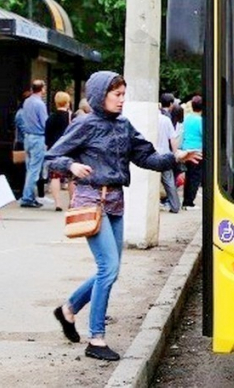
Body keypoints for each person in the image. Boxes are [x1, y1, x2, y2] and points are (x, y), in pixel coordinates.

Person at [45, 71, 202, 361]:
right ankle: (97, 339)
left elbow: (147, 158)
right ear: (99, 95)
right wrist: (72, 166)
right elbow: (52, 156)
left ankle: (68, 309)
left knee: (111, 270)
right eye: (116, 94)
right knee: (108, 268)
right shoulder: (84, 125)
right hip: (92, 201)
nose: (121, 100)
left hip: (116, 202)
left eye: (123, 94)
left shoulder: (123, 125)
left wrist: (176, 157)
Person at [19, 80, 48, 208]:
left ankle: (28, 195)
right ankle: (27, 198)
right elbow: (45, 123)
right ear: (41, 89)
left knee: (29, 168)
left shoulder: (27, 101)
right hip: (38, 137)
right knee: (35, 169)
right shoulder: (40, 104)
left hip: (27, 137)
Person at [45, 91, 73, 211]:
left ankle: (57, 203)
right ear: (67, 102)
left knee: (55, 176)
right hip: (69, 149)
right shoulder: (71, 117)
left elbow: (46, 136)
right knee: (71, 177)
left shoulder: (51, 117)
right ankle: (72, 202)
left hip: (54, 149)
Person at [157, 93, 181, 213]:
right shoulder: (166, 120)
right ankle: (175, 206)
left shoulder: (147, 119)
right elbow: (173, 138)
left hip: (150, 156)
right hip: (165, 155)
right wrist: (175, 153)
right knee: (169, 182)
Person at [180, 95, 204, 210]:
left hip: (186, 151)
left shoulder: (187, 118)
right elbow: (204, 135)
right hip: (197, 152)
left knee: (188, 177)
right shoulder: (201, 121)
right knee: (195, 178)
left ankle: (186, 201)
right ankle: (189, 203)